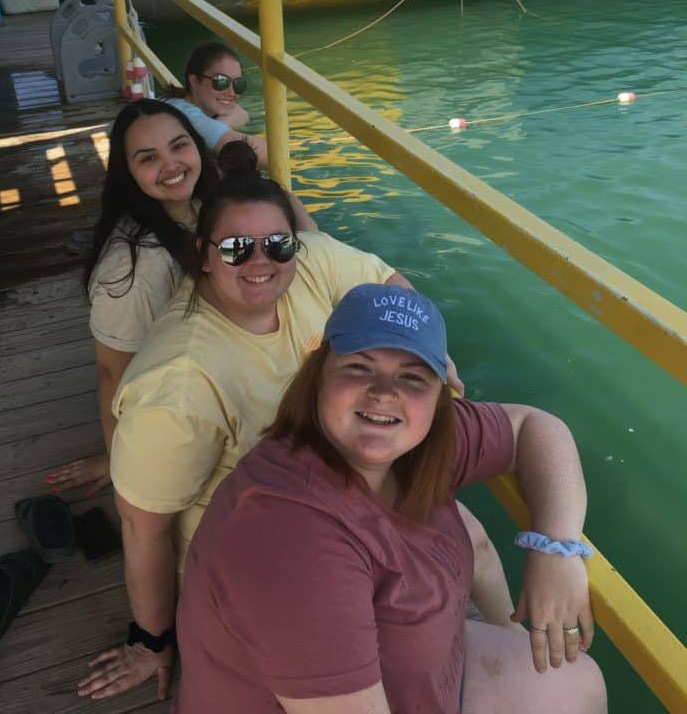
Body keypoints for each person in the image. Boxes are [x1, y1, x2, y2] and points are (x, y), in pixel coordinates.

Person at [76, 163, 503, 704]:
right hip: (265, 548)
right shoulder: (177, 387)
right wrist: (151, 640)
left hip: (343, 485)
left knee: (474, 538)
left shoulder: (309, 263)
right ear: (203, 255)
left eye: (277, 245)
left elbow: (391, 287)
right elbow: (143, 526)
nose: (261, 261)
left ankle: (517, 640)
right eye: (236, 248)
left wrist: (433, 357)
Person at [174, 284, 607, 714]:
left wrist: (557, 547)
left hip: (418, 671)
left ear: (440, 391)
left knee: (578, 679)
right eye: (359, 367)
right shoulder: (290, 538)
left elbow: (535, 427)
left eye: (411, 377)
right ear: (318, 374)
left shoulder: (418, 444)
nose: (384, 393)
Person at [46, 101, 314, 496]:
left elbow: (311, 246)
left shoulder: (207, 207)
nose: (171, 165)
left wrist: (278, 197)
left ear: (196, 146)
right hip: (182, 406)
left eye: (179, 146)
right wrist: (121, 462)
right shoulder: (132, 270)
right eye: (148, 158)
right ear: (127, 172)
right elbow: (113, 374)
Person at [163, 41, 269, 167]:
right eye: (221, 81)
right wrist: (226, 123)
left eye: (238, 84)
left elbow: (241, 113)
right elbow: (271, 154)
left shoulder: (177, 102)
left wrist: (219, 126)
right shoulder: (189, 117)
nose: (232, 93)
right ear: (194, 80)